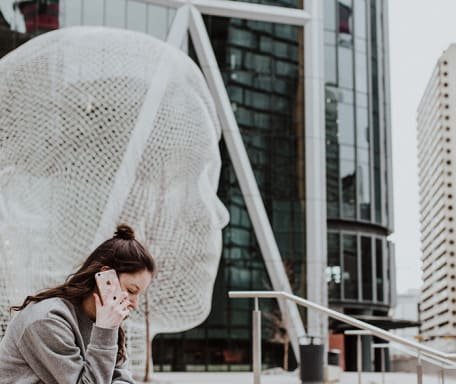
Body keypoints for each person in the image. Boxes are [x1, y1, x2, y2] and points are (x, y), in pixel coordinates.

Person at [0, 223, 155, 384]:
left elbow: (122, 378)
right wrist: (105, 331)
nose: (135, 304)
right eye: (131, 290)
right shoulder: (47, 320)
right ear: (106, 277)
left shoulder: (104, 323)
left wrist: (106, 330)